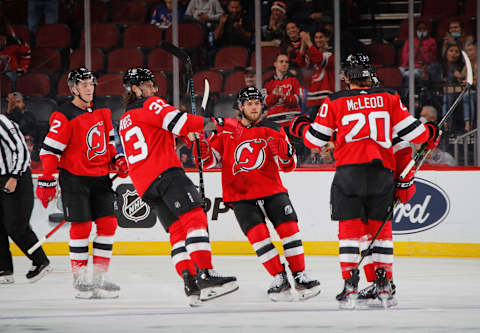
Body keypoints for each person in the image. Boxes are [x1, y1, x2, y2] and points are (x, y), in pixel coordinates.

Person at [290, 53, 441, 309]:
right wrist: (432, 132)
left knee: (349, 233)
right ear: (369, 75)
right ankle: (383, 283)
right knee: (380, 232)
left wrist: (300, 127)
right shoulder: (389, 97)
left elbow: (314, 140)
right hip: (381, 173)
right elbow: (414, 133)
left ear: (347, 77)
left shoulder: (334, 101)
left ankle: (350, 285)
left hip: (349, 173)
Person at [118, 68, 238, 306]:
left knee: (177, 232)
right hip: (166, 175)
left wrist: (185, 136)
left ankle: (190, 282)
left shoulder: (124, 118)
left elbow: (157, 138)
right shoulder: (150, 104)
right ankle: (205, 273)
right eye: (149, 85)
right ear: (136, 88)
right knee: (194, 217)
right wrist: (218, 123)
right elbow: (181, 121)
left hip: (145, 185)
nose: (154, 89)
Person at [194, 86, 320, 301]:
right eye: (249, 103)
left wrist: (286, 154)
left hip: (272, 190)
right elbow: (208, 161)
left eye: (257, 103)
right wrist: (202, 149)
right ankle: (279, 277)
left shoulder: (272, 128)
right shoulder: (224, 132)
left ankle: (300, 275)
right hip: (240, 195)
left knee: (289, 230)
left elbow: (289, 165)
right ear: (240, 107)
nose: (254, 106)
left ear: (262, 106)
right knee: (259, 238)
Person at [36, 68, 129, 299]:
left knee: (108, 225)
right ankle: (80, 279)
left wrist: (117, 158)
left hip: (101, 179)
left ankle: (99, 277)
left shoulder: (103, 112)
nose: (90, 88)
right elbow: (49, 151)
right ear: (74, 89)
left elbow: (108, 143)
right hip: (75, 180)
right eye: (84, 85)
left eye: (91, 84)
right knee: (82, 228)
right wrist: (47, 179)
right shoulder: (63, 115)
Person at [0, 113, 51, 284]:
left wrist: (14, 176)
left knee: (16, 226)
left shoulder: (2, 122)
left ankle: (40, 261)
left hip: (16, 177)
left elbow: (20, 148)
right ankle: (4, 269)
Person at [296, 28, 335, 112]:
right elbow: (300, 63)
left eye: (321, 37)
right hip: (312, 99)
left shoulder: (330, 55)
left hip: (326, 97)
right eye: (316, 38)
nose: (318, 40)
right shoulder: (312, 53)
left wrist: (309, 42)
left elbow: (319, 59)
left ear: (327, 38)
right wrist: (303, 43)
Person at [263, 53, 303, 127]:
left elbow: (300, 99)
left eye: (286, 62)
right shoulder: (267, 82)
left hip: (291, 121)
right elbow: (264, 102)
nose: (284, 64)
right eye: (281, 61)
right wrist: (275, 96)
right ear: (275, 64)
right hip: (273, 123)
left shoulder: (295, 79)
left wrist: (285, 98)